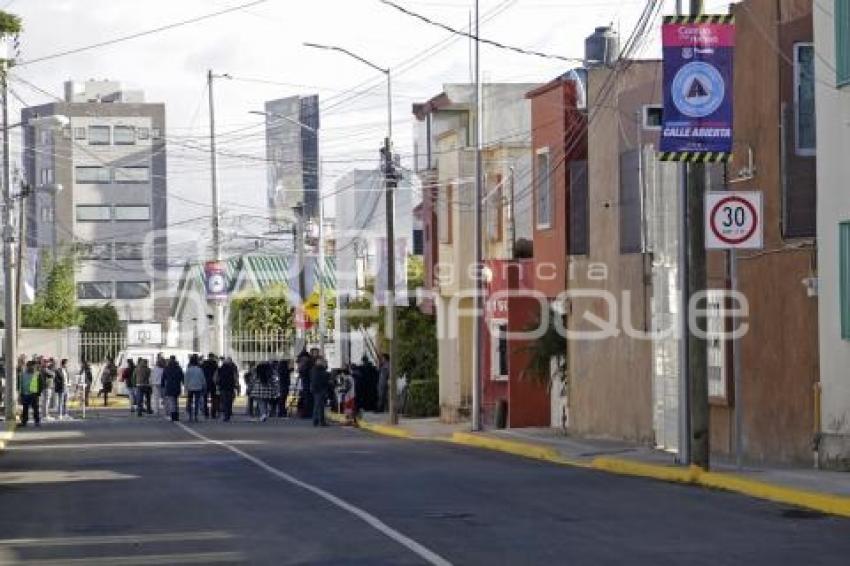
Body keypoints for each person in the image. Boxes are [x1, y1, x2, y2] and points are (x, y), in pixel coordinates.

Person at [184, 355, 206, 422]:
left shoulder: (188, 370)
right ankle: (196, 416)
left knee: (189, 401)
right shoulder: (199, 370)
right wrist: (204, 385)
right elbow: (202, 379)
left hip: (190, 387)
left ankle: (190, 415)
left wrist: (185, 387)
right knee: (197, 402)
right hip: (198, 387)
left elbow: (186, 379)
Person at [19, 360, 41, 427]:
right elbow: (21, 384)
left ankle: (37, 421)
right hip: (25, 393)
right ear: (28, 366)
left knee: (35, 408)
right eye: (31, 366)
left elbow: (40, 384)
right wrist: (20, 393)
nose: (33, 368)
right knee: (25, 408)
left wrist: (38, 393)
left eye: (34, 366)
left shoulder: (37, 374)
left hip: (34, 393)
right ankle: (24, 421)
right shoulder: (23, 374)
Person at [162, 356, 184, 422]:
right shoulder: (178, 368)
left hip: (169, 387)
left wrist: (163, 385)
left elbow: (163, 378)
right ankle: (176, 416)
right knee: (176, 402)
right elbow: (182, 377)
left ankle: (173, 416)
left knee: (172, 402)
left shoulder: (166, 368)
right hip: (177, 386)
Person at [216, 357, 238, 422]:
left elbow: (215, 378)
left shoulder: (220, 369)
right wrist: (236, 385)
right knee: (229, 401)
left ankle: (226, 415)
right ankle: (228, 414)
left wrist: (217, 384)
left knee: (224, 401)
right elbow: (235, 378)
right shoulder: (232, 369)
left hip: (222, 387)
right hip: (230, 387)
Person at [310, 356, 330, 427]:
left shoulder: (316, 369)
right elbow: (321, 379)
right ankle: (319, 421)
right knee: (318, 405)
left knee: (319, 405)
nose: (323, 362)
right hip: (319, 389)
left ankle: (318, 421)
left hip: (317, 389)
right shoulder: (317, 369)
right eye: (322, 361)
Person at [201, 353, 219, 419]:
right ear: (213, 357)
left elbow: (202, 373)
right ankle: (213, 414)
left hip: (206, 382)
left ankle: (206, 413)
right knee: (213, 399)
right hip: (213, 383)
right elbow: (217, 373)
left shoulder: (204, 364)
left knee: (205, 399)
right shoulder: (215, 364)